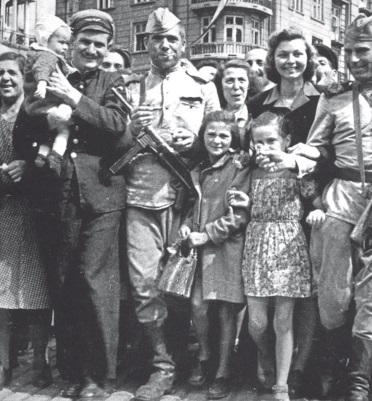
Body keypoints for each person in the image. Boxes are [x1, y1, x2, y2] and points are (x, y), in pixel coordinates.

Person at [260, 14, 372, 401]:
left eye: (361, 51)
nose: (352, 59)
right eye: (348, 51)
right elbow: (315, 149)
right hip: (342, 204)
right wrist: (291, 159)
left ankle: (357, 382)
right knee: (332, 300)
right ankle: (333, 363)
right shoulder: (334, 98)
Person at [12, 10, 129, 400]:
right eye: (85, 43)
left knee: (95, 283)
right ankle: (73, 370)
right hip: (58, 193)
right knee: (64, 282)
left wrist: (73, 97)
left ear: (108, 48)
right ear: (71, 44)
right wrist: (46, 118)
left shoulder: (113, 82)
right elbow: (23, 129)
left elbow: (117, 125)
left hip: (102, 196)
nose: (92, 50)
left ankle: (99, 376)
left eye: (100, 45)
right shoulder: (50, 74)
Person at [124, 8, 219, 401]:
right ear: (146, 44)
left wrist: (195, 143)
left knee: (184, 289)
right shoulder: (130, 87)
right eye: (156, 39)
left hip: (188, 200)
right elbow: (115, 145)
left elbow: (220, 140)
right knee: (144, 286)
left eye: (172, 39)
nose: (164, 46)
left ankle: (190, 357)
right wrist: (131, 129)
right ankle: (162, 366)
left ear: (183, 44)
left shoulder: (203, 86)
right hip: (140, 198)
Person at [246, 29, 322, 398]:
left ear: (308, 58)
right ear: (272, 60)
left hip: (305, 200)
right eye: (282, 55)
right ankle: (274, 364)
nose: (291, 61)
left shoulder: (321, 100)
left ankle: (298, 370)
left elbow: (328, 151)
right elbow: (249, 146)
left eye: (297, 54)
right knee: (267, 312)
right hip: (266, 203)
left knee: (303, 301)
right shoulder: (259, 102)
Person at [240, 112, 319, 401]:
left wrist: (318, 211)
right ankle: (265, 352)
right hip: (257, 244)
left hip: (288, 243)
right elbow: (244, 201)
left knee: (283, 321)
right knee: (257, 323)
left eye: (271, 141)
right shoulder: (250, 171)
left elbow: (317, 201)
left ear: (287, 141)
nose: (264, 148)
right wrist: (243, 202)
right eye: (258, 142)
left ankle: (281, 386)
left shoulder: (298, 171)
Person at [0, 53, 47, 396]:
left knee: (37, 288)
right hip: (0, 211)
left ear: (25, 78)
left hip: (34, 211)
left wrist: (29, 166)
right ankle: (2, 366)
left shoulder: (36, 112)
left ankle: (40, 361)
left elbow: (52, 154)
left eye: (12, 73)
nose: (5, 79)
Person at [178, 111, 251, 399]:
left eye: (224, 135)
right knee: (198, 305)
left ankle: (222, 370)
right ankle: (205, 356)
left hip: (226, 247)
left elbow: (240, 215)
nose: (217, 140)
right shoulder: (198, 168)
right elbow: (191, 206)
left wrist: (208, 233)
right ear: (202, 136)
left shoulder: (239, 167)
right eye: (211, 134)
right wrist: (186, 225)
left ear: (233, 139)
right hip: (200, 249)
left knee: (225, 311)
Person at [22, 15, 74, 172]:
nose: (65, 47)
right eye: (61, 42)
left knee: (50, 130)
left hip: (35, 105)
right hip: (45, 103)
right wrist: (42, 83)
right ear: (46, 39)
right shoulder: (48, 55)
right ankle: (56, 155)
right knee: (64, 127)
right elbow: (42, 68)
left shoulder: (37, 53)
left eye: (67, 43)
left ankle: (41, 155)